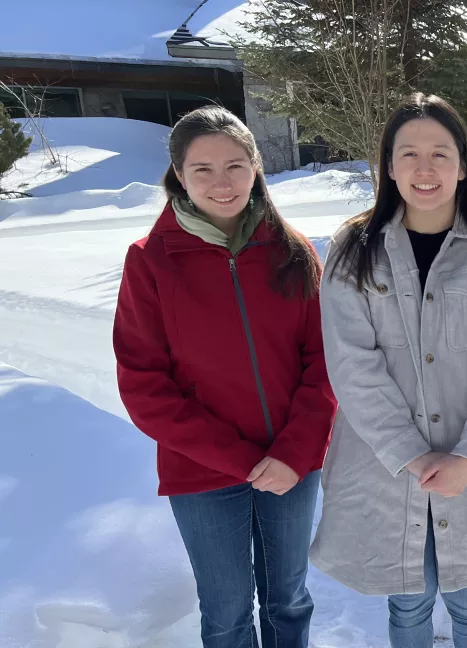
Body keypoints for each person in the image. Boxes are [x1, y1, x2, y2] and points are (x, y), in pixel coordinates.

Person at [309, 93, 467, 648]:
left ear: (463, 165)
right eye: (408, 153)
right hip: (387, 468)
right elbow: (352, 365)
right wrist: (411, 454)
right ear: (389, 165)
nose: (425, 168)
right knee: (408, 603)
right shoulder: (352, 251)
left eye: (440, 153)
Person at [113, 106, 335, 648]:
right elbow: (144, 385)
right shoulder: (151, 261)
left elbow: (326, 362)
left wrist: (294, 453)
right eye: (203, 169)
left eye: (235, 165)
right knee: (228, 613)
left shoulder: (293, 251)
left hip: (290, 465)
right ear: (179, 176)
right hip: (203, 473)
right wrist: (240, 461)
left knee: (289, 601)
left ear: (257, 166)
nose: (222, 182)